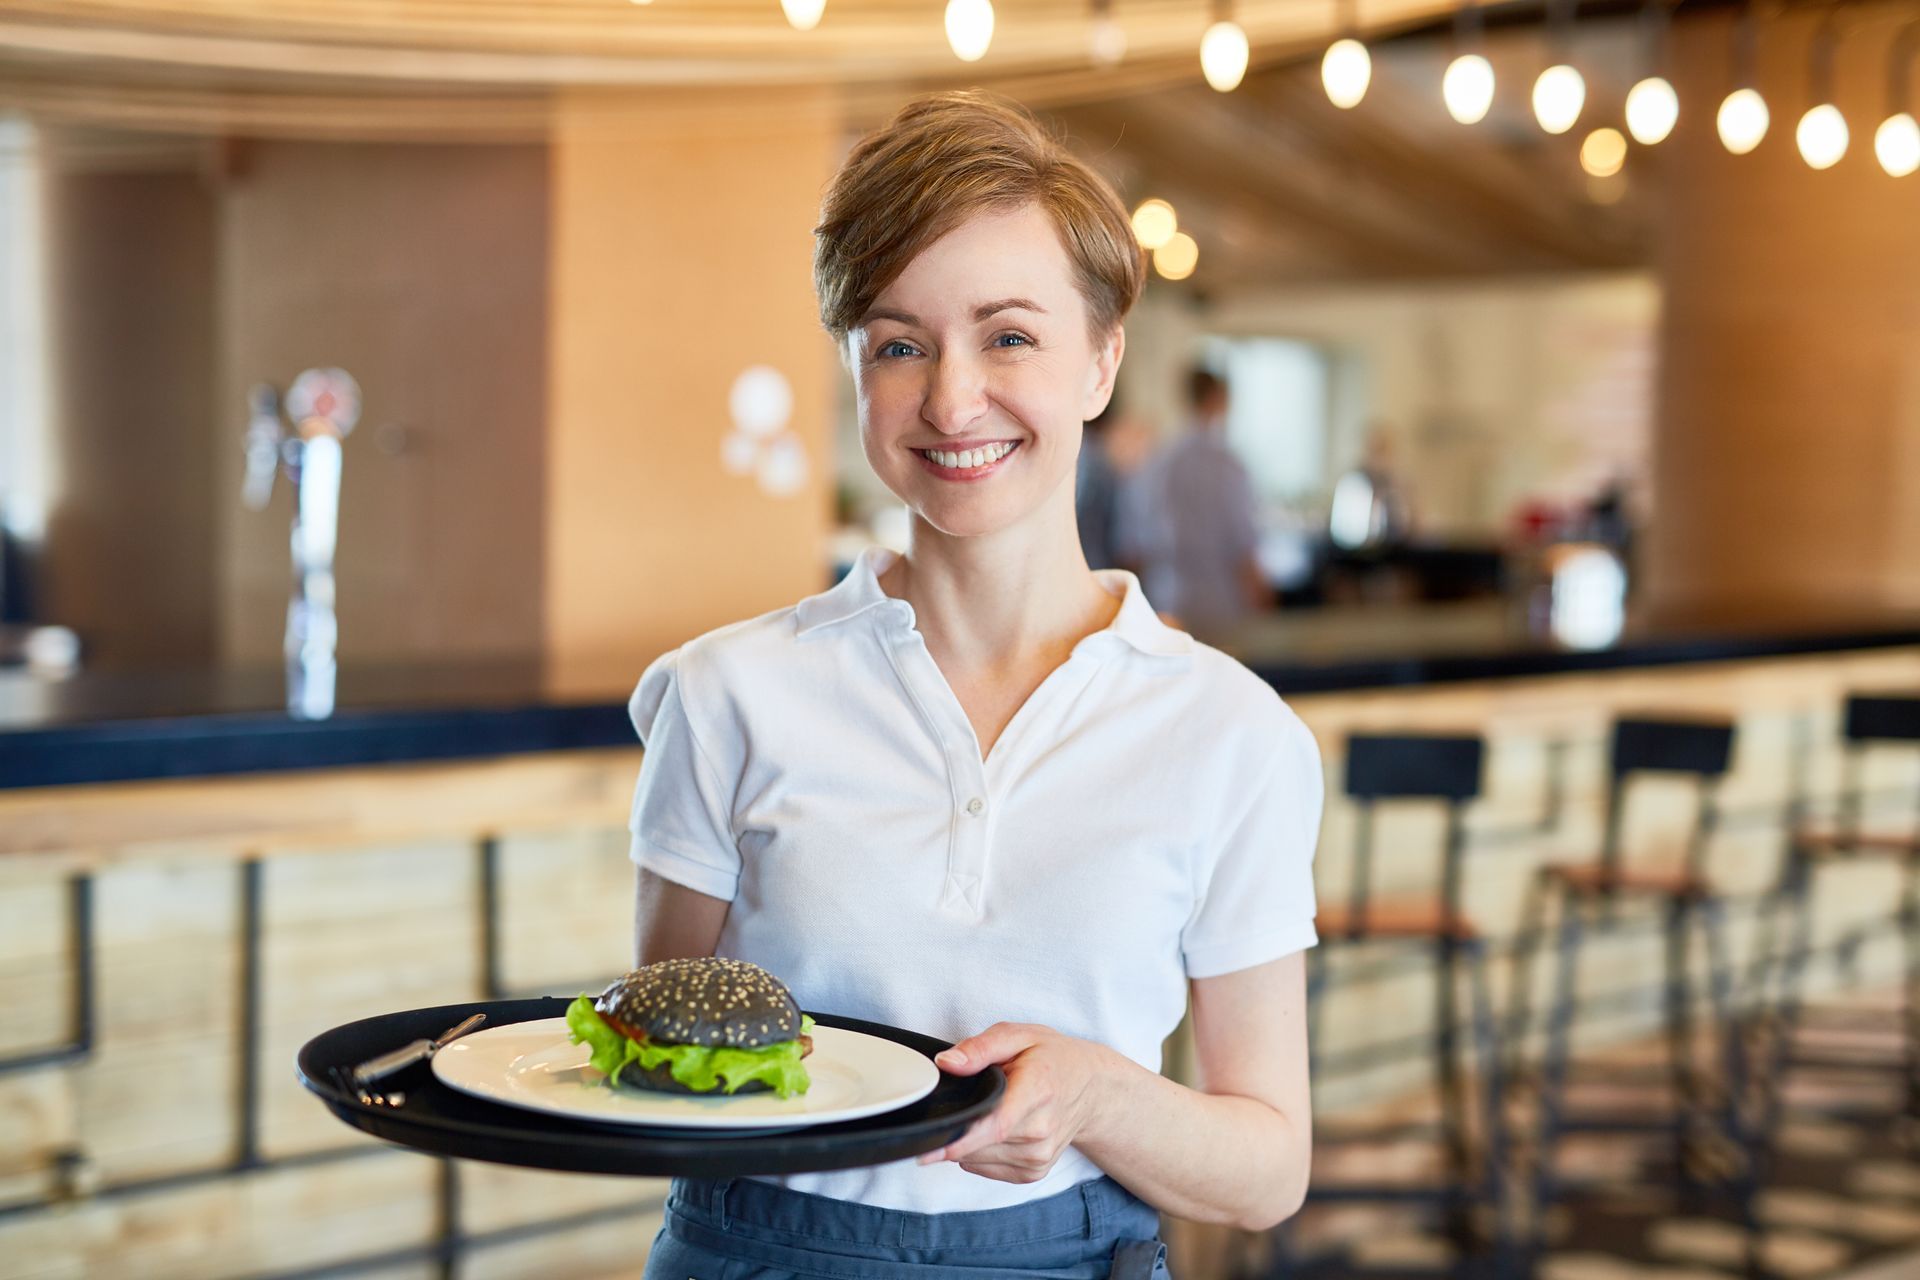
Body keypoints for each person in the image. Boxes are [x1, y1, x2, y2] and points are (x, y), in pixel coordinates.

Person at [629, 90, 1322, 1280]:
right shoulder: (722, 693)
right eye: (899, 344)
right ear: (854, 368)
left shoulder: (1231, 734)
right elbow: (661, 1058)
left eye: (1010, 336)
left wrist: (1104, 1093)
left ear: (1102, 358)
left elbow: (1267, 1166)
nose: (952, 401)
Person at [1118, 367, 1272, 640]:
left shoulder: (1156, 462)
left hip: (1164, 600)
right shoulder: (1227, 466)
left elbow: (1133, 550)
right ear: (1218, 398)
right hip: (1219, 605)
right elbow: (1243, 548)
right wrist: (1264, 602)